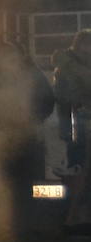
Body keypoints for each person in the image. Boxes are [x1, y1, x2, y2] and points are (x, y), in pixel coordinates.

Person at [52, 30, 91, 174]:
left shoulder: (67, 62)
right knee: (76, 145)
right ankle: (76, 170)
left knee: (75, 145)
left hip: (74, 110)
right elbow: (63, 92)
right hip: (75, 111)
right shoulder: (69, 64)